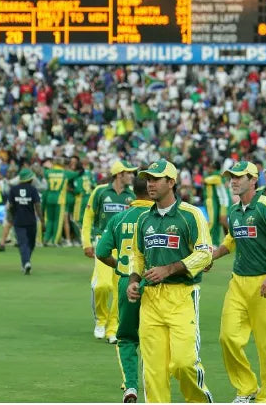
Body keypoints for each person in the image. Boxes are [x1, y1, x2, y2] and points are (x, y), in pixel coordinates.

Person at [126, 159, 214, 403]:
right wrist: (133, 280)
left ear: (171, 182)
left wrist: (169, 269)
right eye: (148, 179)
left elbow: (205, 253)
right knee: (153, 371)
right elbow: (137, 255)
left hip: (182, 297)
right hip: (150, 301)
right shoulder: (144, 219)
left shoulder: (191, 215)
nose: (150, 184)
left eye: (156, 179)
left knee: (185, 364)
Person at [209, 161, 266, 403]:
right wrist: (213, 256)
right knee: (227, 338)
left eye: (239, 177)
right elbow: (231, 239)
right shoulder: (235, 210)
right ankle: (246, 388)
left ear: (253, 180)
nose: (233, 181)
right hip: (238, 283)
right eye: (231, 177)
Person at [96, 174, 153, 403]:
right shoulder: (156, 216)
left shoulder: (119, 218)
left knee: (127, 337)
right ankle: (154, 383)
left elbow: (101, 252)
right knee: (154, 336)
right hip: (155, 282)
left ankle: (130, 385)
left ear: (133, 193)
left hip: (126, 282)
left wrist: (120, 266)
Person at [82, 160, 137, 342]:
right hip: (102, 243)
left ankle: (112, 329)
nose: (132, 175)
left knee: (119, 288)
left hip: (124, 246)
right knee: (102, 285)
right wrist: (86, 243)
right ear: (119, 174)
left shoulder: (133, 195)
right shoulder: (100, 192)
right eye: (129, 172)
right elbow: (88, 217)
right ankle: (100, 320)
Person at [7, 168, 45, 274]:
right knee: (28, 244)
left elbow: (10, 206)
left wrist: (11, 218)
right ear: (30, 179)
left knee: (25, 244)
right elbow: (37, 206)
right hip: (31, 221)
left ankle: (25, 262)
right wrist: (42, 220)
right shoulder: (33, 190)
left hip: (18, 221)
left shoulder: (13, 190)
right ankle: (27, 262)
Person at [43, 157, 79, 245]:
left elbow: (43, 171)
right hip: (60, 200)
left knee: (49, 220)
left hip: (49, 199)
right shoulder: (65, 173)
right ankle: (55, 240)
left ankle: (46, 239)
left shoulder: (48, 172)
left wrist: (47, 167)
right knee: (57, 221)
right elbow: (77, 174)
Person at [202, 161, 231, 246]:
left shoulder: (216, 176)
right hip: (220, 202)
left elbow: (204, 181)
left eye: (210, 167)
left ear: (214, 168)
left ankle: (236, 238)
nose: (208, 169)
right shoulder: (219, 176)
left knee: (221, 221)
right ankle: (226, 241)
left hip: (223, 202)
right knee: (220, 222)